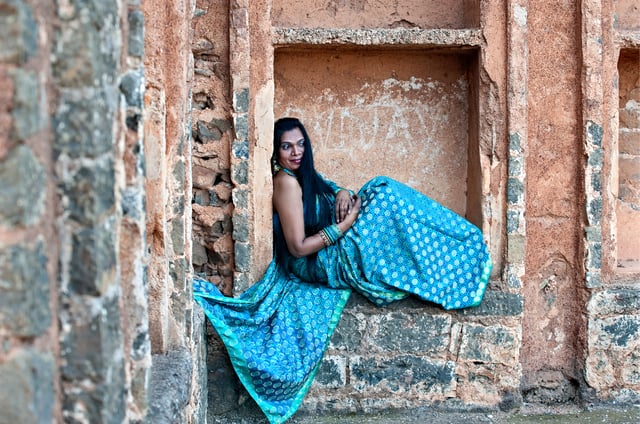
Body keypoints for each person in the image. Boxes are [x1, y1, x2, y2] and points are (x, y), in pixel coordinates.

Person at [194, 117, 492, 424]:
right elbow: (297, 247)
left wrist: (343, 192)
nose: (295, 152)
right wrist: (344, 226)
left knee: (380, 191)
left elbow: (330, 189)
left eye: (300, 144)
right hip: (315, 261)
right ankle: (456, 261)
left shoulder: (303, 173)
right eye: (286, 146)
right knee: (383, 199)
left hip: (331, 243)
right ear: (275, 151)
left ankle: (457, 255)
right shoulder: (285, 183)